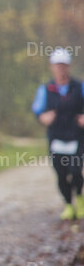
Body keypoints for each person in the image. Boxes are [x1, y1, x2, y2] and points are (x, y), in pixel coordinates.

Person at [31, 48, 84, 220]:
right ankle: (68, 204)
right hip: (56, 137)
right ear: (52, 67)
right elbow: (37, 110)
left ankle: (80, 199)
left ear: (68, 66)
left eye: (63, 65)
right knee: (61, 173)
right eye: (57, 65)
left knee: (76, 171)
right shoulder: (46, 89)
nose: (60, 68)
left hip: (76, 136)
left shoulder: (79, 87)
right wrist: (43, 117)